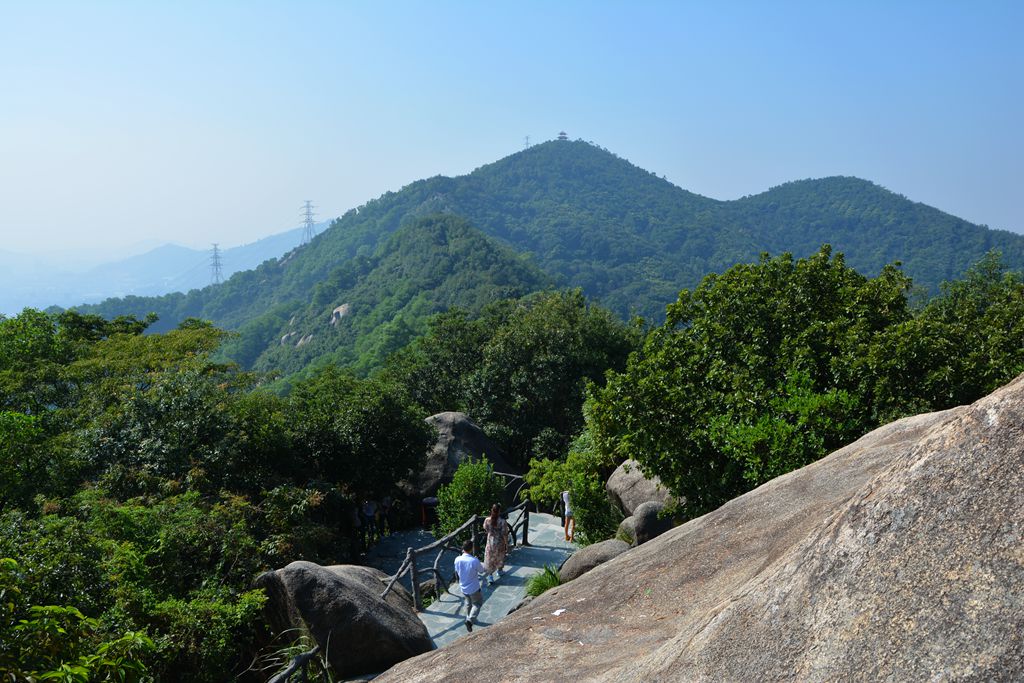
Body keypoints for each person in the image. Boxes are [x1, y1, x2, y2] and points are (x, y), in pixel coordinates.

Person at [453, 539, 486, 631]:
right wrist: (477, 561)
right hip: (474, 588)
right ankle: (470, 620)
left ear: (463, 548)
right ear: (471, 549)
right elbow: (482, 570)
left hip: (463, 586)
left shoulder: (457, 559)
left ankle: (468, 617)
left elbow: (457, 571)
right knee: (477, 604)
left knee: (468, 603)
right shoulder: (474, 561)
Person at [482, 503, 509, 585]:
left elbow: (486, 529)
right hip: (499, 542)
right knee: (500, 556)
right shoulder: (502, 522)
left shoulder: (487, 520)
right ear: (499, 511)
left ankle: (490, 576)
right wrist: (506, 544)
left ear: (492, 510)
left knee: (490, 558)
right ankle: (499, 571)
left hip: (490, 542)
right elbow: (505, 534)